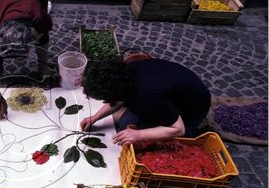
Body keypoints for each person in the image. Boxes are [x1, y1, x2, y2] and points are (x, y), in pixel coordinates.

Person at [80, 52, 211, 145]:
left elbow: (178, 129)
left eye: (104, 98)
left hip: (192, 107)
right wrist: (95, 117)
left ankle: (192, 129)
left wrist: (138, 135)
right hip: (179, 86)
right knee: (126, 120)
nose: (105, 101)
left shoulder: (147, 97)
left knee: (126, 124)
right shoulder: (126, 72)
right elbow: (118, 99)